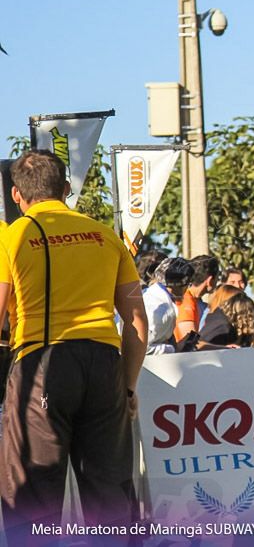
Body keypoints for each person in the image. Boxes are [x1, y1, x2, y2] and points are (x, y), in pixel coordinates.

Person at [0, 150, 148, 537]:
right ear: (66, 189)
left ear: (16, 195)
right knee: (111, 494)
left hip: (42, 362)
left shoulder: (10, 236)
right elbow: (137, 323)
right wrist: (127, 387)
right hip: (105, 365)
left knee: (33, 495)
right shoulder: (107, 236)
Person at [143, 257, 193, 355]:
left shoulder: (147, 293)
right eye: (188, 285)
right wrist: (171, 349)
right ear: (180, 284)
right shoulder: (163, 309)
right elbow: (141, 347)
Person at [174, 254, 218, 341]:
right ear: (209, 280)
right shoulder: (186, 300)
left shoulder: (190, 297)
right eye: (217, 277)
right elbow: (190, 342)